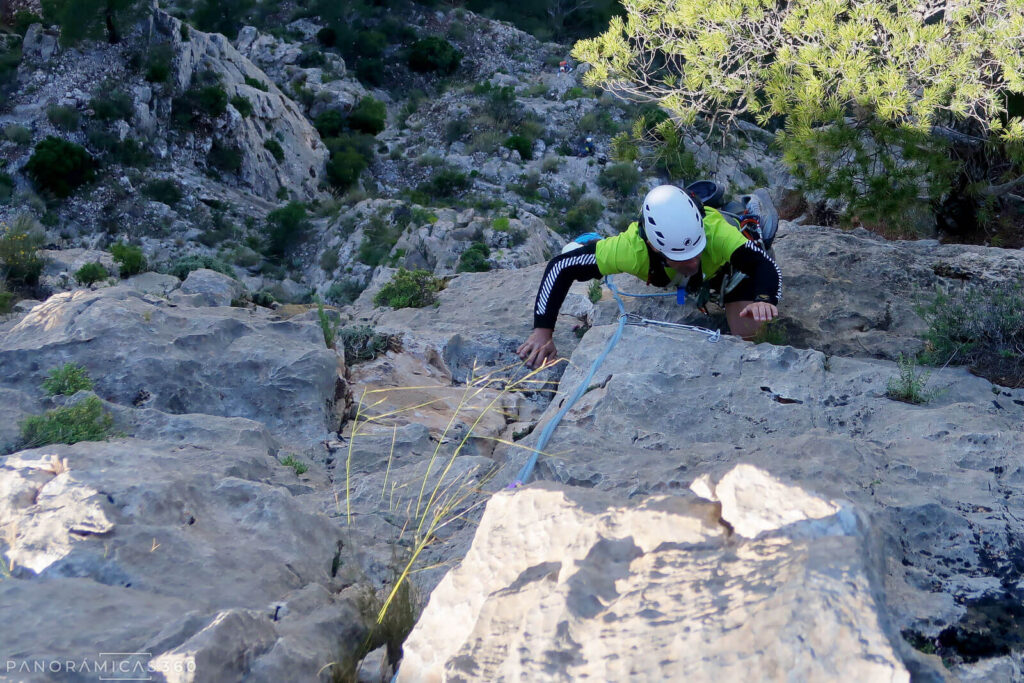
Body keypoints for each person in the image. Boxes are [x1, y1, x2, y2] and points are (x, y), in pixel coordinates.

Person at [517, 184, 782, 369]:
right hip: (672, 269)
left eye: (695, 251)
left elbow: (762, 265)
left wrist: (765, 298)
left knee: (748, 335)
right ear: (655, 247)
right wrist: (543, 331)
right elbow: (561, 267)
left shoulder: (714, 232)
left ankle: (750, 216)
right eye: (681, 256)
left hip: (726, 269)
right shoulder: (631, 249)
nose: (692, 261)